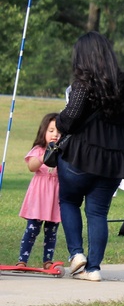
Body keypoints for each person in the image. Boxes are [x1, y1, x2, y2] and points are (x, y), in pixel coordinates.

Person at [56, 32, 124, 282]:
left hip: (80, 157)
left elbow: (68, 120)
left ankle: (76, 255)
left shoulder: (83, 85)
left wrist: (58, 120)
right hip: (114, 160)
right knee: (98, 213)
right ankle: (93, 269)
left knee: (69, 201)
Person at [17, 113, 61, 268]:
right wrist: (45, 155)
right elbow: (31, 167)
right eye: (51, 130)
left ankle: (47, 260)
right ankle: (22, 260)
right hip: (39, 196)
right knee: (32, 230)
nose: (55, 134)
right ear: (43, 131)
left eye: (59, 131)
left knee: (51, 232)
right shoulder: (38, 150)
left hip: (55, 196)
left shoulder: (64, 153)